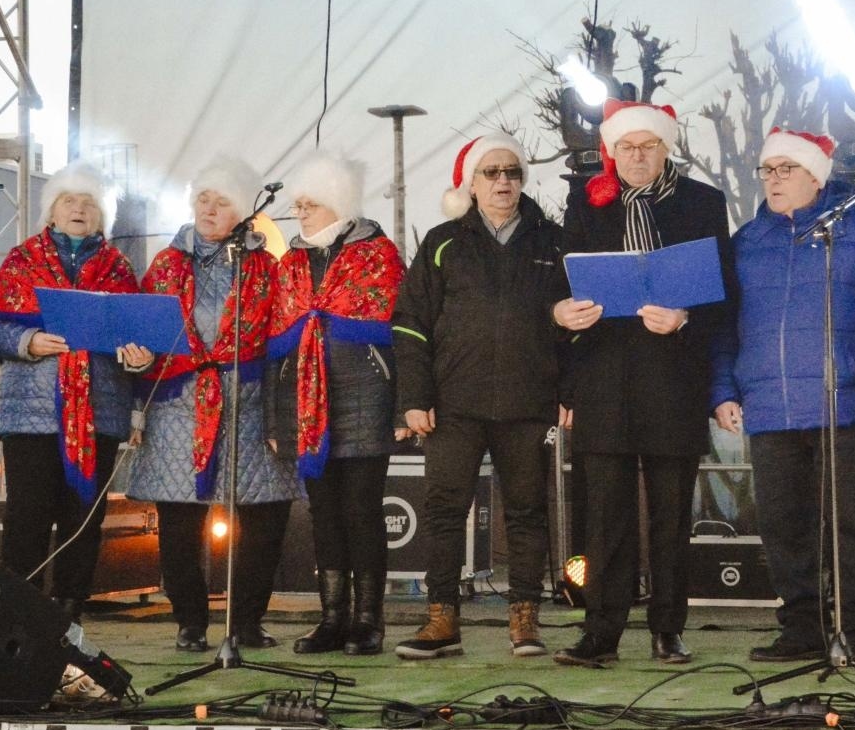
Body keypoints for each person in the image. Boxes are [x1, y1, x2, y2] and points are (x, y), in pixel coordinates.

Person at [711, 128, 855, 667]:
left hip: (842, 403)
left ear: (815, 176)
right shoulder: (748, 242)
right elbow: (724, 324)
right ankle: (802, 627)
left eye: (785, 169)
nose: (773, 180)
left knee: (853, 523)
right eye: (767, 170)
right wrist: (724, 390)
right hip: (770, 407)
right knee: (783, 525)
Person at [551, 100, 732, 668]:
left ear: (666, 148)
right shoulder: (585, 201)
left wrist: (685, 317)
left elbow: (723, 292)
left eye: (647, 146)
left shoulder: (704, 202)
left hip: (672, 378)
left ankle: (667, 629)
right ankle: (600, 631)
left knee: (672, 514)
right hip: (603, 378)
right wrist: (563, 312)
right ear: (611, 151)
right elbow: (560, 282)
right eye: (625, 147)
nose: (636, 156)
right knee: (603, 515)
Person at [390, 134, 566, 660]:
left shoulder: (554, 242)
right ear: (470, 182)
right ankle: (441, 620)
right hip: (454, 403)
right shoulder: (443, 241)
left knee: (527, 512)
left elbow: (576, 326)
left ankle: (525, 622)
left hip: (528, 403)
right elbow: (411, 323)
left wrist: (567, 390)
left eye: (511, 170)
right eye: (491, 172)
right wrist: (415, 397)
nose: (503, 181)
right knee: (444, 511)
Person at [125, 158, 300, 652]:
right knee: (179, 521)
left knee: (265, 520)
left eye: (222, 200)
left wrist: (278, 412)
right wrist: (137, 364)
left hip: (248, 401)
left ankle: (245, 621)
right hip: (181, 404)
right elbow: (144, 332)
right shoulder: (165, 264)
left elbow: (282, 342)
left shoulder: (265, 267)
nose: (209, 207)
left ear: (243, 211)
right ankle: (190, 621)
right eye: (203, 196)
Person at [0, 161, 145, 621]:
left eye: (89, 202)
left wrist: (137, 354)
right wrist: (27, 342)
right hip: (32, 415)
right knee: (27, 515)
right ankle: (18, 610)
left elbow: (137, 335)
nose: (79, 208)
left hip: (99, 412)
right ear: (51, 211)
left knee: (83, 518)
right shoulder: (21, 261)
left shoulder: (119, 269)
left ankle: (70, 610)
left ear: (101, 216)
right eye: (69, 200)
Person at [266, 151, 404, 656]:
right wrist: (277, 419)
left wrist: (402, 406)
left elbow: (403, 335)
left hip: (366, 396)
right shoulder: (291, 264)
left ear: (338, 203)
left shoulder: (379, 255)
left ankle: (369, 620)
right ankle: (332, 618)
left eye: (311, 204)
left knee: (362, 510)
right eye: (298, 204)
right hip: (306, 407)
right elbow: (275, 345)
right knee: (323, 514)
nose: (300, 213)